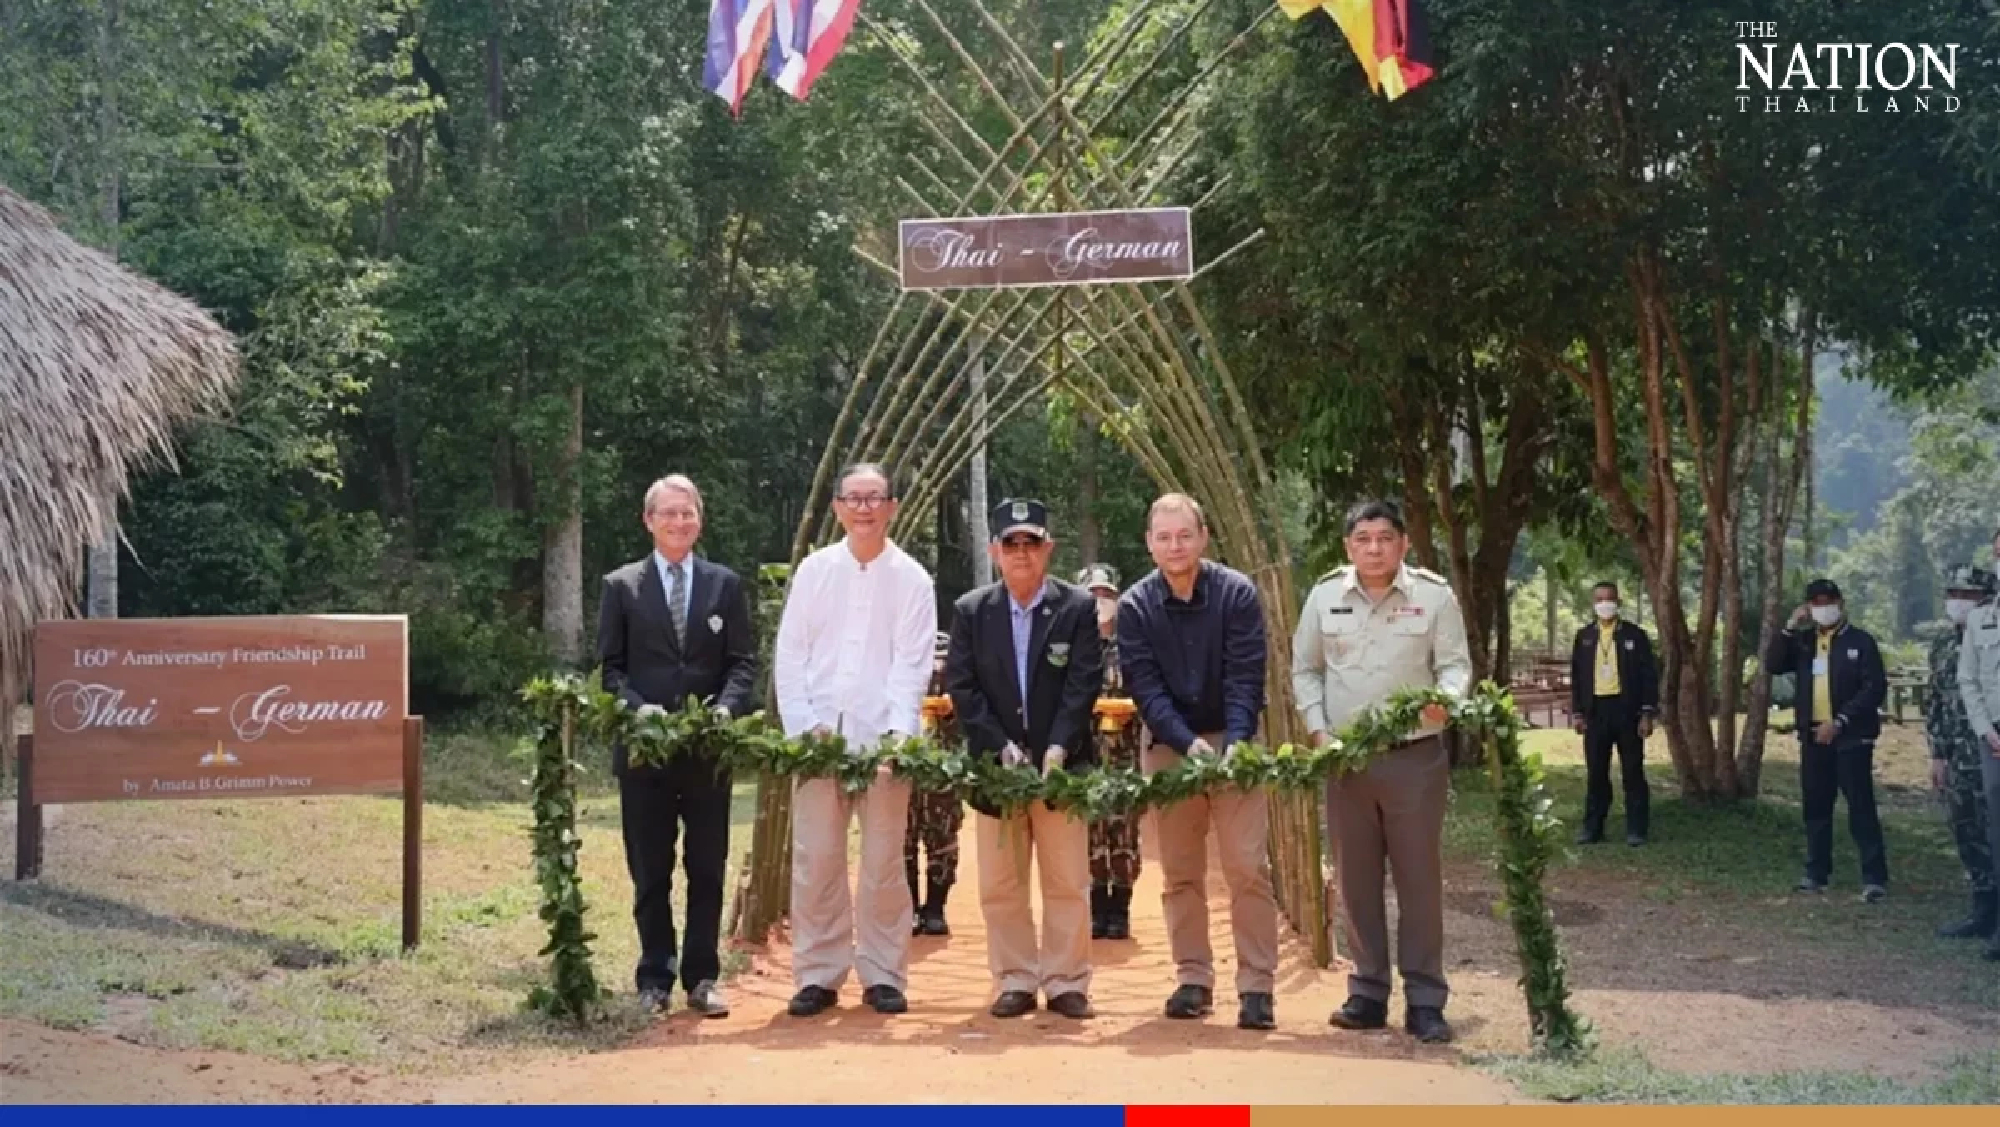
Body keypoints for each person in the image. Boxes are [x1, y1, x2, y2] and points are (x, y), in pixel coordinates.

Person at [1292, 499, 1471, 1045]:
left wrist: (1448, 700)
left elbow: (1455, 665)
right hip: (1346, 761)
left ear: (1404, 544)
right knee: (1355, 882)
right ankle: (1367, 992)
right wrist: (1320, 733)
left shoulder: (1434, 597)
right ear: (1348, 546)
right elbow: (1306, 670)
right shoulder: (1324, 597)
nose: (1374, 548)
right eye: (1363, 538)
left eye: (1385, 537)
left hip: (1414, 757)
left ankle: (1424, 999)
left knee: (1419, 882)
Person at [774, 463, 937, 1016]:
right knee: (817, 859)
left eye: (875, 499)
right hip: (819, 739)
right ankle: (818, 971)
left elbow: (911, 667)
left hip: (883, 743)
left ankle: (883, 972)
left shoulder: (912, 579)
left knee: (884, 864)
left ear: (892, 507)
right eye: (854, 498)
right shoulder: (815, 572)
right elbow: (791, 655)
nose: (864, 508)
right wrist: (803, 728)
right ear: (838, 507)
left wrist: (897, 739)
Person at [596, 475, 758, 1018]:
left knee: (708, 867)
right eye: (668, 514)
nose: (679, 523)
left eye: (688, 513)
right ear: (649, 520)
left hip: (707, 754)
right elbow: (610, 669)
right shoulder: (621, 586)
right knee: (650, 869)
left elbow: (742, 663)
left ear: (699, 520)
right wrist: (638, 708)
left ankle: (703, 976)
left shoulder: (723, 585)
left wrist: (724, 709)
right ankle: (653, 976)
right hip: (645, 755)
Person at [1118, 493, 1279, 1031]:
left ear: (1203, 537)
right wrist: (1186, 744)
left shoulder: (1235, 593)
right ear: (1149, 543)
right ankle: (1193, 978)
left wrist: (1235, 739)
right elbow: (1145, 687)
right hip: (1171, 746)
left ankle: (1257, 986)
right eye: (1163, 537)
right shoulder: (1136, 606)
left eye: (1184, 535)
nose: (1174, 546)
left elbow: (1246, 673)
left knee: (1246, 865)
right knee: (1180, 872)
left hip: (1234, 740)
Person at [946, 499, 1103, 1020]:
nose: (1021, 553)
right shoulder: (972, 610)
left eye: (1030, 542)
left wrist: (1057, 745)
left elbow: (1083, 684)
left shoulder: (1078, 607)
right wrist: (1000, 747)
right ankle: (1014, 977)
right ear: (994, 550)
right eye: (1010, 543)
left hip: (1064, 764)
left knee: (1065, 879)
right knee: (1001, 882)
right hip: (998, 769)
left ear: (1048, 548)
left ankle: (1065, 981)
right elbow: (964, 688)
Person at [1765, 578, 1889, 901]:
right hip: (1813, 737)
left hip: (1851, 737)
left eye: (1828, 601)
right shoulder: (1804, 643)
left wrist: (1841, 721)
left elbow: (1873, 688)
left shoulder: (1860, 642)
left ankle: (1874, 877)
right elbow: (1773, 664)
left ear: (1840, 603)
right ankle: (1817, 873)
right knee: (1816, 807)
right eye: (1816, 603)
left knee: (1860, 806)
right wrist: (1790, 627)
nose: (1823, 608)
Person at [1930, 566, 1997, 942]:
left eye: (1968, 595)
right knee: (1966, 830)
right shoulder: (1943, 644)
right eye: (1953, 593)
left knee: (1995, 832)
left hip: (1990, 751)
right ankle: (1982, 909)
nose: (1958, 602)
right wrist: (1937, 754)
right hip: (1957, 756)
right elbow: (1937, 702)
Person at [1568, 581, 1660, 846]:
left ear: (1618, 602)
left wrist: (1647, 713)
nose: (1604, 604)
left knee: (1632, 771)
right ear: (1593, 604)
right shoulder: (1584, 637)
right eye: (1600, 599)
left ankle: (1636, 830)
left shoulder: (1634, 635)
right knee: (1597, 772)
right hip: (1595, 711)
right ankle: (1593, 828)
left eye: (1609, 599)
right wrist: (1577, 713)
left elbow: (1648, 677)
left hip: (1627, 710)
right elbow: (1577, 677)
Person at [1079, 563, 1142, 940]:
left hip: (1125, 754)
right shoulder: (1073, 649)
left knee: (1123, 834)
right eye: (1093, 596)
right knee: (1088, 832)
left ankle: (1119, 909)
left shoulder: (1132, 647)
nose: (1100, 603)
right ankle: (1094, 908)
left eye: (1106, 595)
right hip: (1086, 754)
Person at [905, 630, 963, 937]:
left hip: (943, 772)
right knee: (904, 842)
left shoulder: (959, 673)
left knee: (943, 843)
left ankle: (936, 908)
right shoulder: (902, 668)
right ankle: (911, 907)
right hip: (907, 768)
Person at [1959, 539, 2000, 961]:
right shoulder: (1981, 621)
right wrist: (1986, 730)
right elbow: (1968, 680)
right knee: (1997, 832)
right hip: (1993, 740)